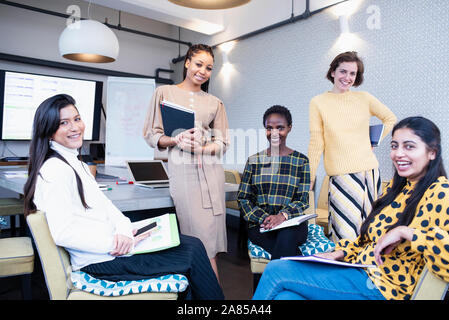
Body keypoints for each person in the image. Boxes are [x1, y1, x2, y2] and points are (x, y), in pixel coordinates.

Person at [23, 94, 224, 300]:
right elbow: (63, 232)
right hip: (100, 260)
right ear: (48, 132)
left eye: (76, 119)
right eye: (63, 123)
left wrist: (124, 231)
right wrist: (117, 243)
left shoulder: (78, 165)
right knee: (192, 252)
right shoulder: (54, 170)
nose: (75, 127)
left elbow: (108, 208)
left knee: (191, 245)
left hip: (115, 248)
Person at [253, 116, 449, 300]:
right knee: (285, 297)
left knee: (276, 270)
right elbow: (368, 242)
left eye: (409, 147)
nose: (398, 154)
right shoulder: (395, 189)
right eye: (394, 146)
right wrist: (341, 253)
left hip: (385, 286)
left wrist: (405, 232)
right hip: (361, 269)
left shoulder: (440, 192)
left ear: (432, 152)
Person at [143, 44, 229, 280]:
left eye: (209, 68)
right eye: (199, 64)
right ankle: (211, 295)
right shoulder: (164, 93)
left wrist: (202, 147)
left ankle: (208, 295)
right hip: (184, 173)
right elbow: (152, 135)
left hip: (211, 173)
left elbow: (222, 143)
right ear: (187, 63)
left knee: (211, 243)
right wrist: (175, 139)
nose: (203, 71)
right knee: (199, 241)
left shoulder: (215, 102)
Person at [308, 51, 397, 242]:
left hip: (369, 174)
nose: (347, 78)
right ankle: (343, 271)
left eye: (352, 74)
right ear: (332, 72)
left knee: (370, 232)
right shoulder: (318, 103)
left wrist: (373, 141)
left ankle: (366, 271)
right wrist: (310, 176)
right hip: (340, 177)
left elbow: (390, 119)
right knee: (344, 236)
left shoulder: (364, 98)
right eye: (343, 71)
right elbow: (316, 143)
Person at [237, 105, 310, 259]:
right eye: (269, 128)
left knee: (286, 235)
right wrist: (265, 218)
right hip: (260, 225)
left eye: (280, 128)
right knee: (287, 248)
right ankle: (290, 280)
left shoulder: (301, 161)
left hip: (292, 224)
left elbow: (302, 200)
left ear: (289, 128)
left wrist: (282, 216)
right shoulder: (254, 161)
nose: (274, 133)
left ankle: (266, 282)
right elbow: (244, 198)